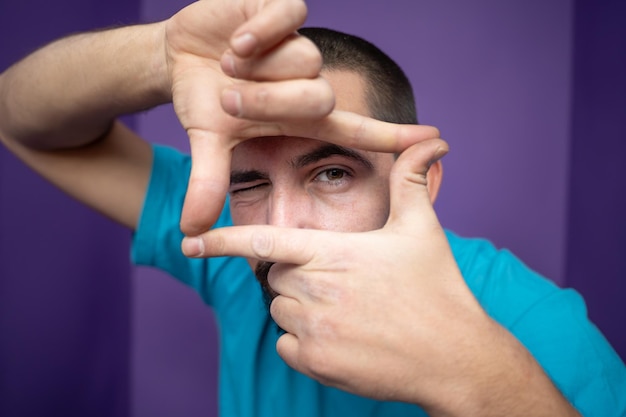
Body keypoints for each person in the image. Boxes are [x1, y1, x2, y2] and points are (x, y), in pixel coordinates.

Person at [0, 1, 624, 416]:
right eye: (249, 184)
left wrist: (476, 375)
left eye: (332, 173)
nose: (281, 229)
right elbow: (20, 119)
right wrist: (160, 55)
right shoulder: (235, 248)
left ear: (422, 184)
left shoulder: (531, 322)